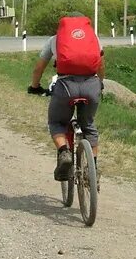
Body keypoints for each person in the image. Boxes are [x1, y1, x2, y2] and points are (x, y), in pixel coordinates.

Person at [27, 13, 104, 182]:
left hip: (66, 87)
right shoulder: (93, 38)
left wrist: (35, 86)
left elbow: (38, 68)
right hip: (91, 85)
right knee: (89, 126)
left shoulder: (55, 39)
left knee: (57, 122)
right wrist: (100, 84)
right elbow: (101, 63)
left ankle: (64, 153)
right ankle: (93, 170)